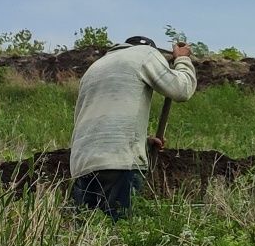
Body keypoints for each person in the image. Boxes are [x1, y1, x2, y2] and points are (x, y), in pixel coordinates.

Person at [69, 36, 197, 218]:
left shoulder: (96, 67)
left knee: (88, 234)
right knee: (118, 234)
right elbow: (181, 89)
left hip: (82, 163)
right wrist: (182, 59)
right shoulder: (145, 54)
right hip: (119, 164)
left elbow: (101, 119)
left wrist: (142, 142)